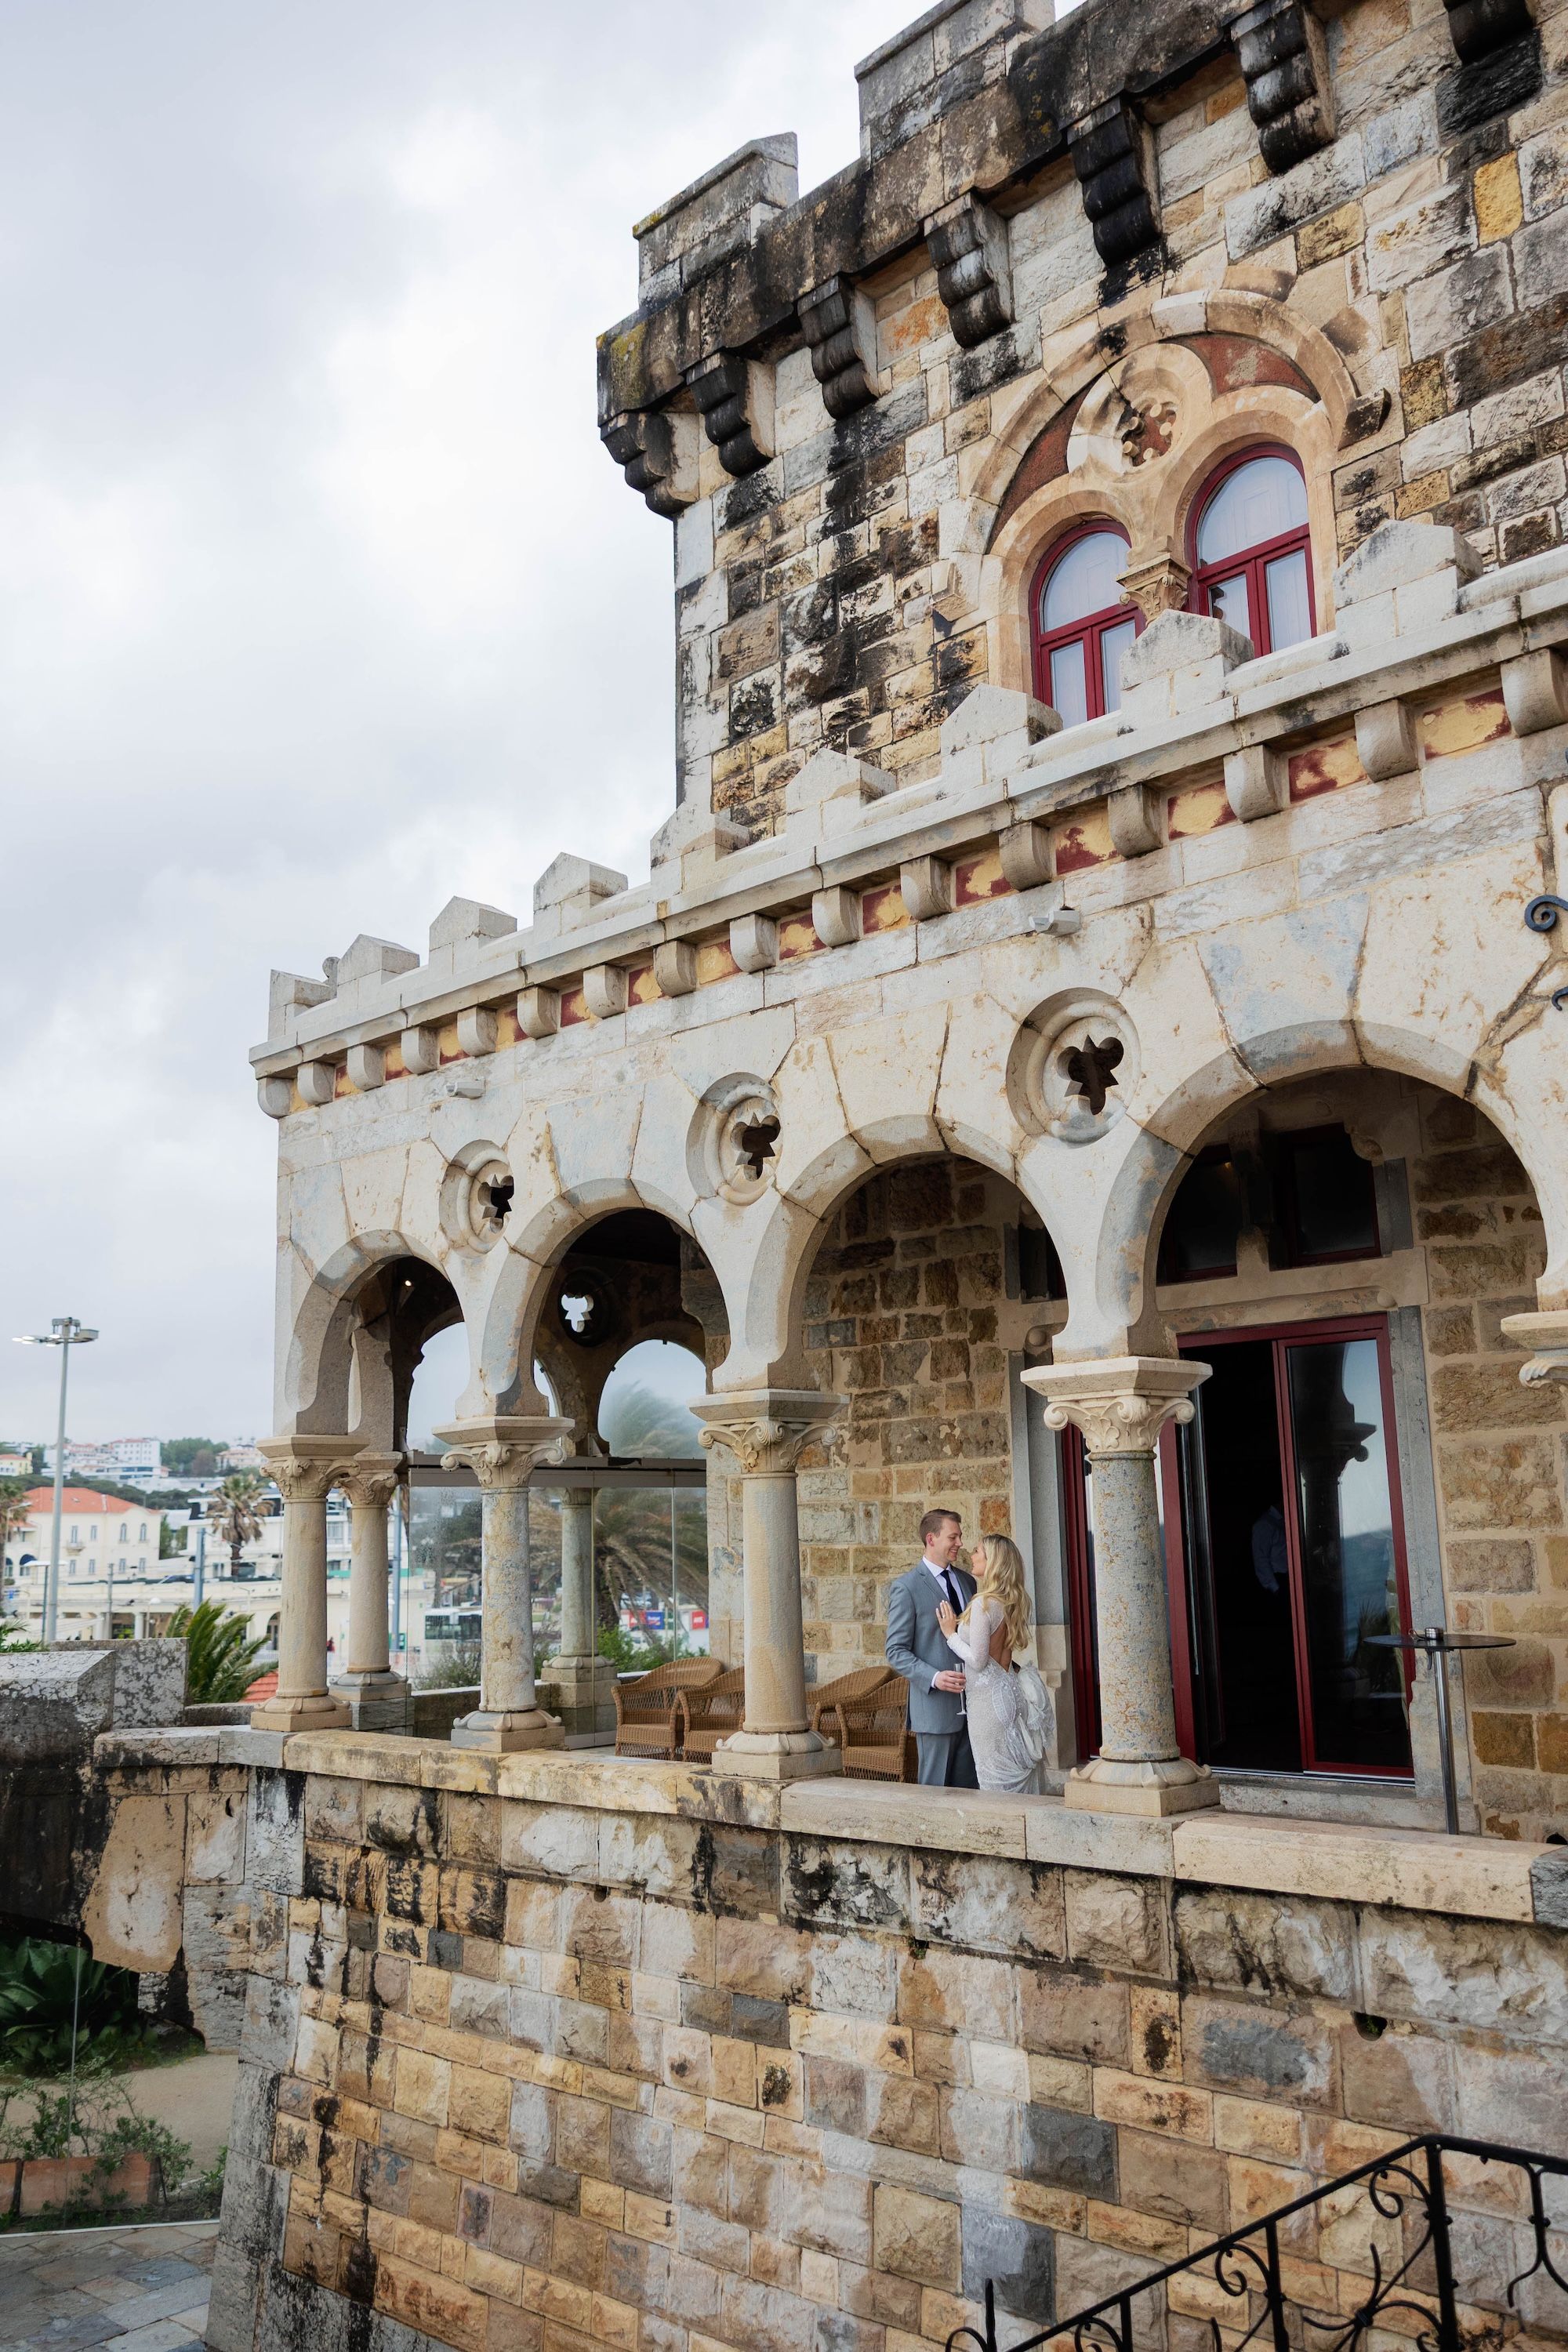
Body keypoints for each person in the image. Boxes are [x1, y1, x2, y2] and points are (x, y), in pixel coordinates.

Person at [936, 1532, 1049, 1793]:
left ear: (993, 1562)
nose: (971, 1555)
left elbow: (977, 1660)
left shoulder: (984, 1603)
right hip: (1009, 1693)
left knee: (993, 1783)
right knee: (1010, 1774)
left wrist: (950, 1634)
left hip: (988, 1705)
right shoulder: (1010, 1602)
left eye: (978, 1552)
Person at [884, 1508, 978, 1787]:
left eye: (960, 1536)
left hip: (975, 1709)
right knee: (934, 1795)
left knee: (972, 1793)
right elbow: (895, 1651)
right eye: (954, 1537)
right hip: (935, 1713)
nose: (960, 1543)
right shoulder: (907, 1588)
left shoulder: (968, 1581)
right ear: (931, 1539)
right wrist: (935, 1678)